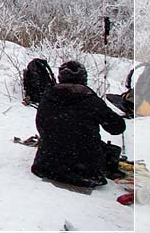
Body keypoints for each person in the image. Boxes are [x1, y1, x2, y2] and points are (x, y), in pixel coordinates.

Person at [31, 60, 126, 188]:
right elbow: (117, 128)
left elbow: (41, 126)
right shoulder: (92, 101)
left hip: (46, 165)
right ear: (83, 78)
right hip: (85, 171)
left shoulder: (47, 97)